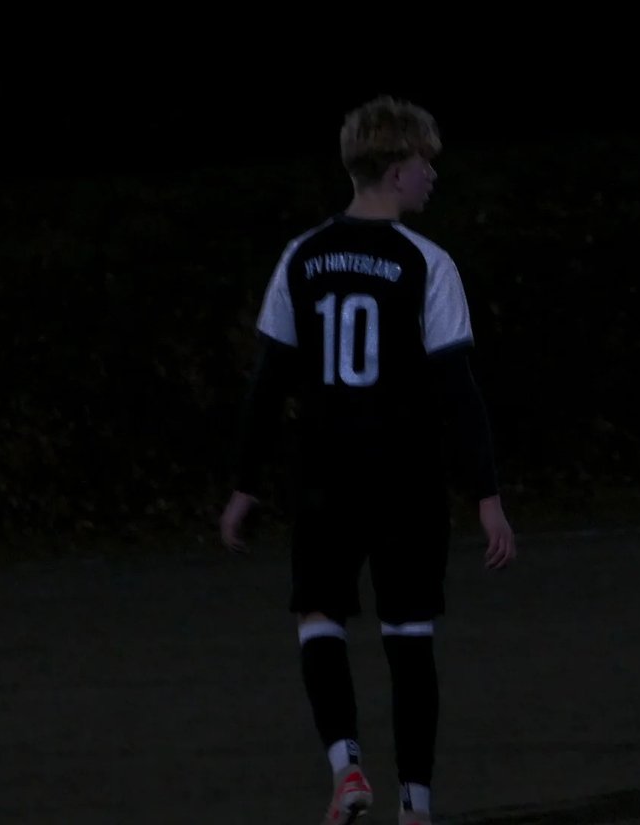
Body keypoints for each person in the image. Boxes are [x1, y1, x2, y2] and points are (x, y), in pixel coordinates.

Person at [220, 94, 516, 825]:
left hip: (326, 475)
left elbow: (267, 383)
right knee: (408, 635)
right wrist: (486, 494)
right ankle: (416, 806)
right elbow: (457, 389)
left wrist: (244, 485)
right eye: (425, 163)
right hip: (407, 478)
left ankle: (347, 769)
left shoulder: (303, 255)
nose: (433, 176)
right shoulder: (427, 262)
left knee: (319, 616)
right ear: (394, 169)